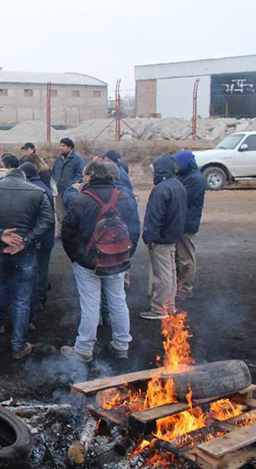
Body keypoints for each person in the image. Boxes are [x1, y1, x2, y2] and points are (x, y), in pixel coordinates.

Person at [60, 161, 141, 361]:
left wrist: (78, 258)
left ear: (91, 176)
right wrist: (126, 254)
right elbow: (134, 229)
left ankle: (84, 349)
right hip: (117, 258)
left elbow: (68, 234)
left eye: (85, 175)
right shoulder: (126, 198)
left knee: (90, 304)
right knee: (118, 301)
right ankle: (122, 345)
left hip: (88, 261)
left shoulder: (80, 200)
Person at [0, 167, 54, 360]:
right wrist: (26, 241)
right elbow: (49, 220)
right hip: (24, 254)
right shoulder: (37, 191)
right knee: (22, 300)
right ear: (23, 177)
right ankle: (18, 345)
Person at [142, 154, 187, 320]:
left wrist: (150, 237)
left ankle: (159, 308)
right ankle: (170, 306)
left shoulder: (161, 189)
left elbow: (155, 216)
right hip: (172, 237)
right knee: (171, 273)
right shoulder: (178, 185)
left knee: (162, 275)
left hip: (161, 239)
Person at [19, 163, 56, 320]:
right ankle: (40, 298)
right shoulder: (43, 187)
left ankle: (38, 300)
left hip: (37, 237)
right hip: (46, 236)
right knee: (42, 268)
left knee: (36, 270)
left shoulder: (31, 189)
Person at [173, 150, 205, 300]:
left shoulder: (195, 179)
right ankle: (179, 287)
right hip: (181, 223)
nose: (176, 166)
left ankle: (185, 290)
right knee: (179, 257)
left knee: (186, 259)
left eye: (178, 163)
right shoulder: (185, 176)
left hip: (187, 224)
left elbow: (182, 197)